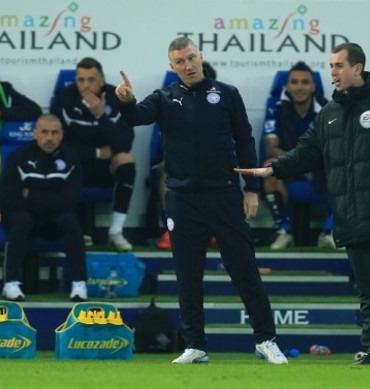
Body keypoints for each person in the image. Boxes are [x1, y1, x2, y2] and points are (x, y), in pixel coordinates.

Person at [235, 42, 370, 366]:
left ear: (356, 68)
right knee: (368, 291)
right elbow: (307, 151)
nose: (331, 72)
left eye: (337, 65)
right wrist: (273, 169)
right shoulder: (329, 113)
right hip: (350, 216)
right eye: (330, 66)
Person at [115, 36, 288, 365]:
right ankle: (195, 345)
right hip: (182, 200)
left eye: (191, 58)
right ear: (172, 67)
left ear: (201, 57)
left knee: (245, 270)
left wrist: (250, 189)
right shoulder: (164, 98)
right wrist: (126, 100)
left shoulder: (227, 94)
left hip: (224, 194)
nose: (187, 65)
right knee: (188, 275)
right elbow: (136, 117)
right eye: (180, 62)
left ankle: (266, 340)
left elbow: (245, 140)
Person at [0, 113, 88, 302]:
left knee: (71, 220)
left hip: (54, 221)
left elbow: (71, 201)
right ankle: (11, 283)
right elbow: (8, 200)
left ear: (61, 135)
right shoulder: (18, 157)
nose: (49, 138)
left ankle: (79, 284)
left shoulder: (71, 158)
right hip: (24, 219)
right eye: (44, 132)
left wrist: (30, 194)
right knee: (22, 220)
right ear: (35, 134)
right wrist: (52, 200)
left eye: (54, 133)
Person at [50, 57, 135, 252]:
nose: (85, 85)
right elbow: (57, 144)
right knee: (65, 160)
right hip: (77, 163)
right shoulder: (65, 98)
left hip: (107, 165)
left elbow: (125, 144)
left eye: (91, 80)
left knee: (126, 160)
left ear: (102, 81)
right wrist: (96, 152)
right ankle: (74, 231)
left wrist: (101, 116)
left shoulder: (116, 97)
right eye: (81, 80)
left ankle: (116, 231)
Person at [261, 61, 333, 249]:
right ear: (287, 86)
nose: (299, 87)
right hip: (290, 166)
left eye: (305, 82)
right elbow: (271, 147)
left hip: (318, 168)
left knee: (342, 167)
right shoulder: (275, 107)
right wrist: (298, 162)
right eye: (294, 82)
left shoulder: (328, 109)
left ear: (313, 86)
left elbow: (332, 149)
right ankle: (284, 230)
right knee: (269, 165)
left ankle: (330, 232)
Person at [152, 61, 218, 251]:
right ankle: (171, 229)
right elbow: (164, 143)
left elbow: (229, 144)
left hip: (212, 163)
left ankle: (215, 229)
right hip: (177, 161)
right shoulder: (168, 104)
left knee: (227, 166)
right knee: (167, 167)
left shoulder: (222, 105)